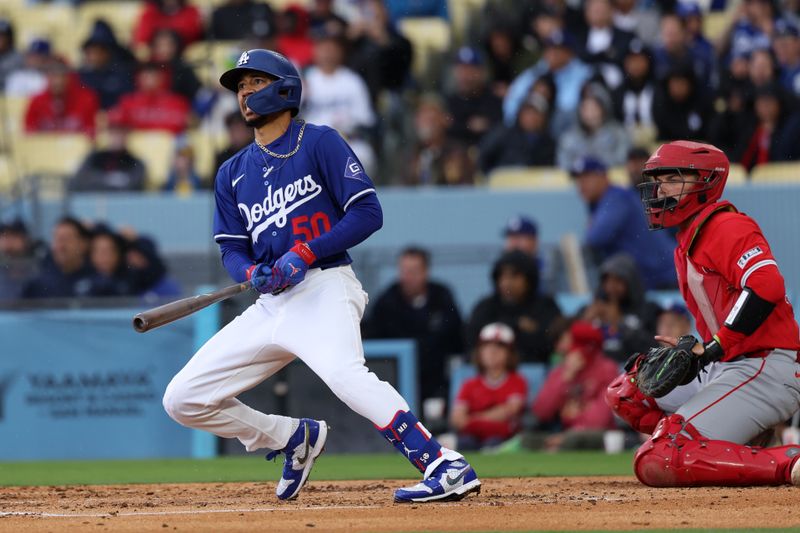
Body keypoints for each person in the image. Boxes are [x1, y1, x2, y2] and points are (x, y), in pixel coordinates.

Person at [161, 49, 481, 503]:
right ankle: (291, 438)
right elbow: (231, 248)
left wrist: (307, 251)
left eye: (255, 82)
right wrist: (252, 271)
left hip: (325, 284)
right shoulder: (232, 172)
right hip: (272, 303)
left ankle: (442, 464)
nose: (245, 94)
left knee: (345, 375)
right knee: (183, 399)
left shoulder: (320, 142)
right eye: (240, 87)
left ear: (285, 89)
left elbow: (368, 213)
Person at [605, 140, 800, 488]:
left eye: (672, 178)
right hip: (729, 363)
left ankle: (789, 463)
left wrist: (712, 348)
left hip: (767, 366)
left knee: (659, 456)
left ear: (706, 181)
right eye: (657, 180)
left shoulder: (726, 226)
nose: (660, 189)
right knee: (628, 390)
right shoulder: (688, 238)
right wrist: (696, 348)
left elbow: (767, 285)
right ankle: (737, 445)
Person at [365, 247, 464, 406]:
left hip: (436, 383)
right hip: (396, 383)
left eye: (413, 271)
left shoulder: (442, 297)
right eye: (403, 270)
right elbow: (373, 338)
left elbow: (456, 337)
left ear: (426, 271)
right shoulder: (387, 302)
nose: (407, 277)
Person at [570, 155, 677, 290]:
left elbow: (595, 238)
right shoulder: (605, 200)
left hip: (665, 277)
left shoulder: (617, 198)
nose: (581, 184)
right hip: (653, 278)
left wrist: (591, 226)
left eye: (587, 177)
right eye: (578, 179)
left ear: (603, 177)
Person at [531, 320, 620, 450]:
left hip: (595, 437)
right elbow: (541, 412)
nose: (561, 347)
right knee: (528, 439)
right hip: (563, 435)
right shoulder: (561, 370)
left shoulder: (607, 369)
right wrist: (565, 378)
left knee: (573, 440)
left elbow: (600, 420)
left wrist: (568, 434)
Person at [466, 250, 562, 364]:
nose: (506, 283)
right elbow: (472, 340)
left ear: (529, 278)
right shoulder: (486, 306)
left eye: (514, 276)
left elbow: (552, 341)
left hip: (539, 371)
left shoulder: (545, 305)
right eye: (502, 276)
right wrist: (516, 325)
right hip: (493, 376)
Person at [450, 322, 527, 450]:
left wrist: (473, 419)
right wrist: (487, 418)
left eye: (500, 347)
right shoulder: (469, 384)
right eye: (486, 346)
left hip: (502, 439)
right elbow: (457, 419)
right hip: (470, 439)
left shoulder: (517, 381)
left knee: (494, 443)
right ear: (479, 352)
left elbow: (510, 410)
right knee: (464, 444)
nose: (492, 351)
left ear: (510, 354)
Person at [556, 82, 630, 170]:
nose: (590, 113)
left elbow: (623, 160)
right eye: (585, 107)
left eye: (594, 107)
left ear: (604, 108)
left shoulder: (619, 133)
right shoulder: (568, 138)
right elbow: (563, 165)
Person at [478, 92, 556, 173]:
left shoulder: (549, 143)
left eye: (536, 113)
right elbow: (483, 158)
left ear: (544, 117)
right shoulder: (503, 135)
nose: (532, 117)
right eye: (528, 112)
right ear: (520, 114)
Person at [21, 217, 95, 299]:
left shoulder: (100, 284)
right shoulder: (37, 285)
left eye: (66, 239)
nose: (60, 246)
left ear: (83, 244)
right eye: (56, 239)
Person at [445, 46, 503, 148]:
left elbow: (499, 130)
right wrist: (468, 127)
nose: (465, 76)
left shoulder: (494, 100)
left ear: (481, 72)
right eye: (461, 70)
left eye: (470, 70)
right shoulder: (449, 102)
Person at [24, 59, 100, 137]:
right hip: (45, 148)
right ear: (48, 77)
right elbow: (29, 133)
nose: (58, 81)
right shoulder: (37, 101)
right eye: (54, 75)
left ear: (70, 77)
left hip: (76, 148)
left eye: (62, 75)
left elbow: (91, 133)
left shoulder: (86, 99)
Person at [70, 120, 146, 192]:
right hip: (95, 201)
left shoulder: (135, 162)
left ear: (127, 135)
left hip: (123, 202)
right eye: (113, 133)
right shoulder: (94, 158)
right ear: (108, 134)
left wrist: (103, 182)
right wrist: (112, 181)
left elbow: (135, 185)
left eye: (120, 133)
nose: (117, 137)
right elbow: (81, 179)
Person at [87, 227, 133, 297]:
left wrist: (134, 242)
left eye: (108, 251)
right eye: (99, 251)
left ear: (117, 254)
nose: (103, 256)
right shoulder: (81, 280)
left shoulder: (131, 279)